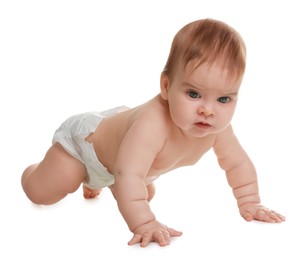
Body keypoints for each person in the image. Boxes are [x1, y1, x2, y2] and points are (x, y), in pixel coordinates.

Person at [21, 18, 285, 247]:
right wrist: (145, 223)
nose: (208, 110)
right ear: (166, 86)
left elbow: (237, 164)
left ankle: (97, 182)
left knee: (142, 193)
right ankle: (35, 172)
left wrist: (250, 202)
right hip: (86, 146)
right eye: (194, 94)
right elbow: (128, 173)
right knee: (51, 188)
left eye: (224, 99)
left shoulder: (218, 129)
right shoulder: (152, 125)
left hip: (119, 163)